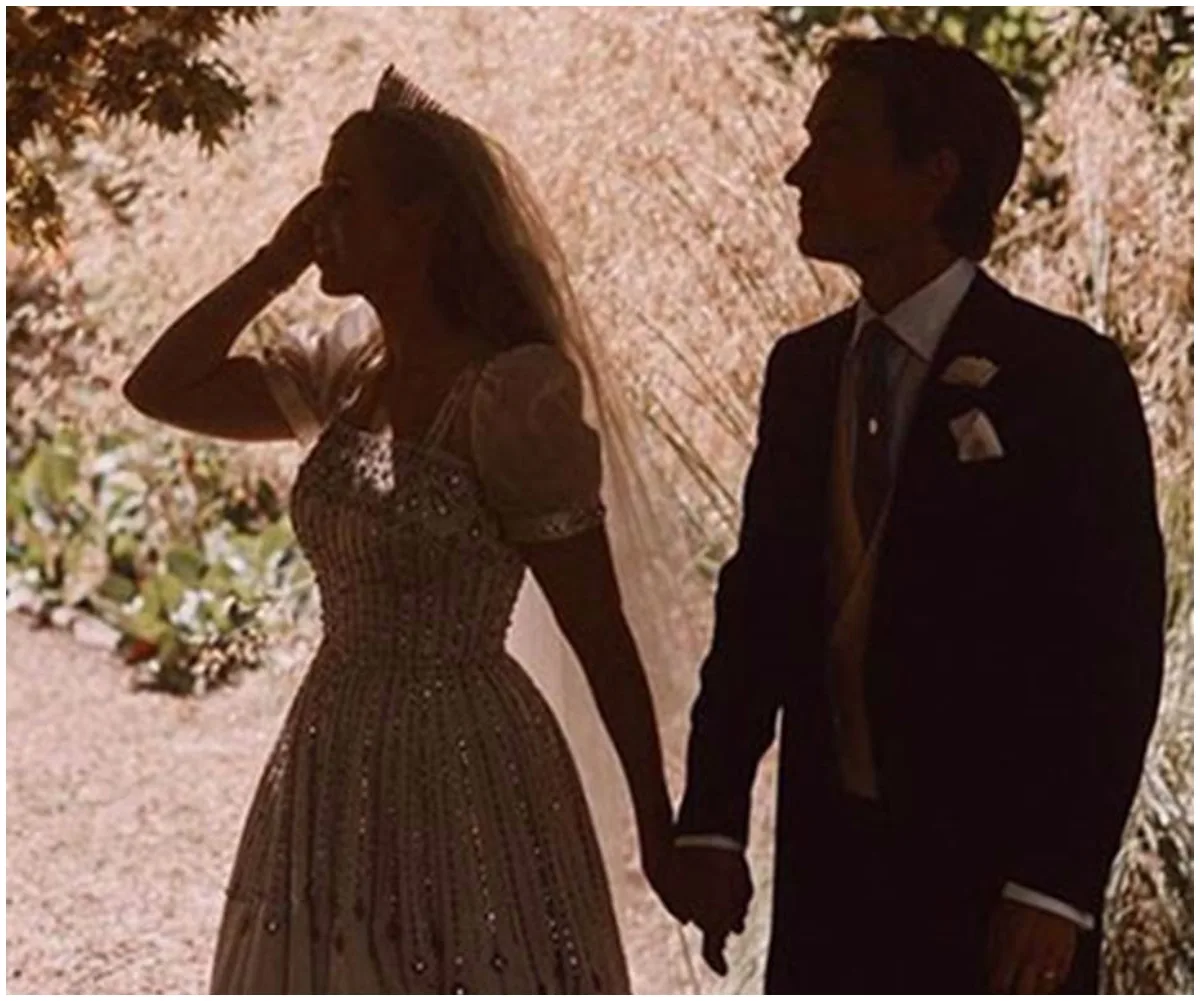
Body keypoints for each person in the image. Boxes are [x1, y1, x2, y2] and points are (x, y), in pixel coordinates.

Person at [124, 67, 682, 993]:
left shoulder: (512, 394)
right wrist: (272, 263)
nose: (319, 213)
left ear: (422, 220)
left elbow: (598, 629)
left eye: (344, 193)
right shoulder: (349, 373)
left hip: (467, 763)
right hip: (331, 745)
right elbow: (158, 387)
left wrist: (657, 828)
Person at [668, 34, 1164, 993]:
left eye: (837, 142)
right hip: (829, 885)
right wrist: (714, 818)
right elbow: (760, 601)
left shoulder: (1066, 377)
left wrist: (1057, 884)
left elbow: (1115, 645)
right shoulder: (802, 372)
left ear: (935, 175)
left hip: (999, 897)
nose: (798, 171)